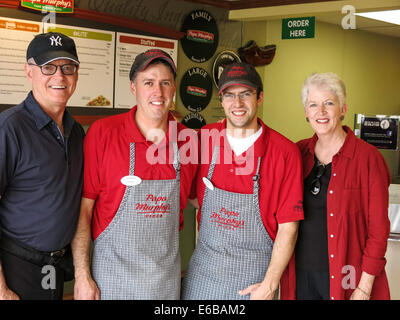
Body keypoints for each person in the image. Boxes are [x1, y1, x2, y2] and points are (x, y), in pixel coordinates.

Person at [72, 49, 197, 300]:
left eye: (165, 83)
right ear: (133, 87)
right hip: (111, 280)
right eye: (148, 83)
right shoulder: (103, 133)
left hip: (165, 283)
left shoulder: (189, 141)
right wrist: (82, 275)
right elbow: (84, 210)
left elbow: (203, 200)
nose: (158, 93)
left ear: (173, 89)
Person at [181, 62, 304, 300]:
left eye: (245, 94)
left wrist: (269, 284)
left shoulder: (284, 152)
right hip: (203, 276)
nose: (237, 104)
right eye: (229, 95)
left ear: (259, 98)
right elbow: (193, 196)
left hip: (254, 281)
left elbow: (289, 228)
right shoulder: (203, 139)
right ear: (222, 100)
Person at [0, 32, 84, 300]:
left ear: (76, 74)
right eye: (48, 67)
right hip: (16, 267)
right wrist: (0, 289)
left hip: (54, 267)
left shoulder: (77, 132)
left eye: (67, 67)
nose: (59, 77)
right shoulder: (9, 128)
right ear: (29, 71)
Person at [295, 72, 391, 300]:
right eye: (313, 105)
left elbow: (378, 231)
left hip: (348, 278)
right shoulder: (297, 154)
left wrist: (365, 287)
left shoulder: (368, 158)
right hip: (301, 276)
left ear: (343, 108)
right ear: (306, 113)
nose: (321, 112)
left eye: (329, 103)